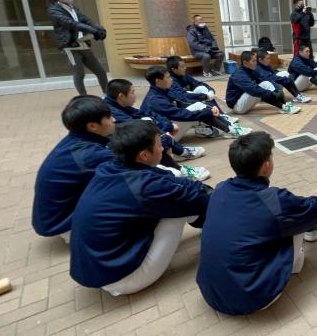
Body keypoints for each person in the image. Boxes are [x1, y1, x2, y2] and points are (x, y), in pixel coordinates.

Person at [69, 120, 213, 296]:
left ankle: (211, 226)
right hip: (124, 278)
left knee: (180, 195)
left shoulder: (110, 167)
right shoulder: (144, 186)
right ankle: (221, 234)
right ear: (144, 155)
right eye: (159, 145)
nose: (162, 148)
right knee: (184, 205)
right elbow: (194, 195)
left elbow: (167, 180)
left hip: (101, 268)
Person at [197, 132, 317, 315]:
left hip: (210, 292)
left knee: (274, 221)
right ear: (266, 165)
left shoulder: (221, 189)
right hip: (252, 297)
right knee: (294, 218)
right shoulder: (272, 199)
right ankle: (299, 259)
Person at [32, 96, 114, 241]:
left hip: (50, 218)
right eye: (108, 117)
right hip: (60, 223)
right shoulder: (88, 154)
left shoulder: (76, 140)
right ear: (92, 126)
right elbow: (133, 162)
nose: (114, 119)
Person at [104, 79, 210, 181]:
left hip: (151, 139)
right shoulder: (116, 113)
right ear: (121, 96)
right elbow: (138, 131)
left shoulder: (121, 105)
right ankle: (179, 160)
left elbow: (147, 115)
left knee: (152, 125)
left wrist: (167, 126)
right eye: (132, 92)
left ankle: (177, 155)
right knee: (151, 138)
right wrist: (165, 137)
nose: (135, 95)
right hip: (129, 153)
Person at [141, 66, 252, 139]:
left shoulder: (163, 90)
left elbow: (185, 98)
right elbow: (181, 114)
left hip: (171, 125)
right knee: (198, 109)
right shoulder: (154, 99)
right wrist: (208, 111)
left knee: (199, 106)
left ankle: (229, 128)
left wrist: (207, 107)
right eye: (168, 77)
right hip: (163, 136)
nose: (171, 79)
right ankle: (229, 130)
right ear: (158, 81)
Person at [47, 0, 109, 96]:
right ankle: (83, 98)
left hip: (83, 44)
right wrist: (93, 30)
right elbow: (70, 23)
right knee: (79, 74)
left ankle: (107, 95)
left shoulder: (73, 8)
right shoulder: (54, 10)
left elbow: (85, 19)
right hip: (70, 46)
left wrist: (99, 28)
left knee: (100, 71)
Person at [165, 56, 238, 124]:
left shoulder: (183, 75)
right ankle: (219, 117)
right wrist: (205, 96)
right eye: (182, 66)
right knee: (200, 98)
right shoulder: (171, 82)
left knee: (201, 88)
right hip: (183, 109)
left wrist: (210, 90)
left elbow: (198, 83)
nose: (185, 68)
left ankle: (221, 114)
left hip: (191, 100)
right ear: (174, 69)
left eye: (184, 65)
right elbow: (184, 96)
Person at [226, 51, 301, 115]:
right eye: (253, 61)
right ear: (245, 63)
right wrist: (272, 94)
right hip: (238, 106)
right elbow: (253, 90)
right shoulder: (239, 75)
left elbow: (266, 78)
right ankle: (284, 107)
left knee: (265, 84)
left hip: (245, 100)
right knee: (260, 89)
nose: (256, 63)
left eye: (256, 61)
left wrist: (276, 91)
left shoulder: (251, 70)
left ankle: (284, 105)